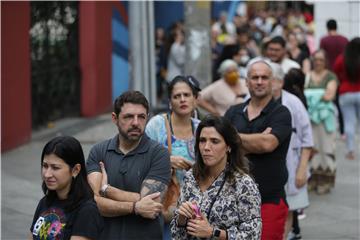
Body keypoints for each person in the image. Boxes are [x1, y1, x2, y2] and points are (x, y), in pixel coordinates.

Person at [86, 91, 171, 239]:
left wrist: (106, 189)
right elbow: (93, 204)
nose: (136, 123)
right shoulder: (98, 151)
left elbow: (152, 203)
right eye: (129, 117)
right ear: (115, 118)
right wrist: (135, 207)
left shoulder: (159, 154)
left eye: (141, 117)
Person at [225, 58, 292, 240]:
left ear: (273, 82)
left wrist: (233, 141)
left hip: (268, 199)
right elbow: (220, 145)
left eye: (264, 77)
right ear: (246, 82)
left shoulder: (281, 113)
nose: (260, 81)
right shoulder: (233, 112)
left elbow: (267, 144)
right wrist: (256, 140)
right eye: (255, 77)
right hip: (232, 199)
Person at [171, 115, 262, 239]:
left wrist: (213, 232)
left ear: (228, 146)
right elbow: (176, 236)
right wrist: (181, 220)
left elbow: (253, 235)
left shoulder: (243, 184)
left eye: (214, 141)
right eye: (202, 140)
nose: (206, 147)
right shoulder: (190, 178)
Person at [145, 75, 201, 240]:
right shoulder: (157, 125)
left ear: (195, 99)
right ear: (170, 102)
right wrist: (166, 160)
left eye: (187, 95)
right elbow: (139, 157)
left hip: (194, 209)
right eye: (177, 96)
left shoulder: (201, 128)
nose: (182, 100)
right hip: (164, 205)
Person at [30, 136, 104, 240]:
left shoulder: (87, 211)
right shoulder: (45, 202)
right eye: (45, 166)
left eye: (55, 168)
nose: (47, 174)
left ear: (75, 170)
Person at [270, 63, 314, 240]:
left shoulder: (293, 103)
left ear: (280, 82)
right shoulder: (252, 102)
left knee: (288, 207)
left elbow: (307, 138)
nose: (263, 83)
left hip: (291, 162)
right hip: (266, 167)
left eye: (269, 79)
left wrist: (302, 169)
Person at [305, 50, 338, 195]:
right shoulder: (307, 76)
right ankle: (312, 179)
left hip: (325, 118)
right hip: (309, 117)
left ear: (325, 61)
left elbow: (329, 95)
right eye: (316, 59)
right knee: (311, 148)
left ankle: (325, 181)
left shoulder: (331, 76)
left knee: (326, 148)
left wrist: (311, 99)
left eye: (321, 60)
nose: (318, 62)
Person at [333, 37, 360, 160]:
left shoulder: (342, 58)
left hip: (345, 92)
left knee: (349, 123)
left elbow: (335, 72)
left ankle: (350, 151)